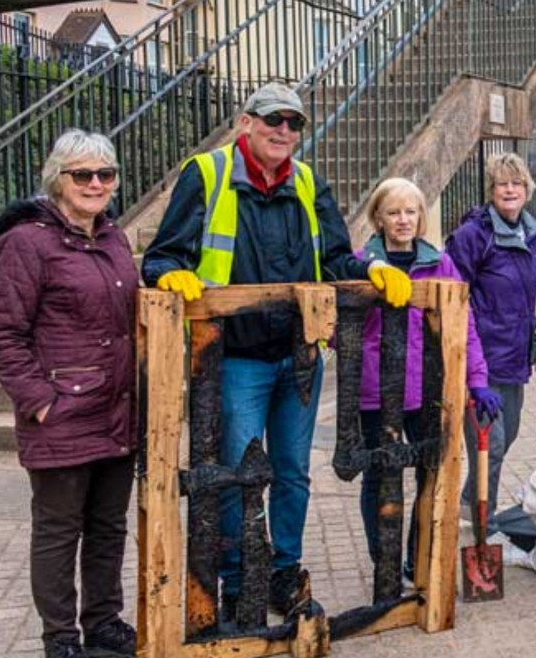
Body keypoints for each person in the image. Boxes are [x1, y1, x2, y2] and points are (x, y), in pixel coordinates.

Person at [141, 82, 412, 617]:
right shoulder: (210, 174)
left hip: (300, 357)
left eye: (294, 123)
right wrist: (170, 273)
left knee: (291, 473)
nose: (283, 131)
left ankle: (284, 574)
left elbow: (335, 257)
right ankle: (242, 580)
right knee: (239, 476)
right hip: (235, 359)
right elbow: (163, 254)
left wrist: (374, 268)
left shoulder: (309, 183)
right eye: (273, 120)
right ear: (246, 123)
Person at [0, 130, 139, 658]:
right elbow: (4, 335)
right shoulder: (28, 242)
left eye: (106, 174)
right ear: (58, 179)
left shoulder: (114, 237)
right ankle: (61, 637)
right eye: (83, 174)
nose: (96, 184)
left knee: (107, 526)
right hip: (63, 412)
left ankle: (103, 621)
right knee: (57, 531)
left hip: (116, 409)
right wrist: (40, 400)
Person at [355, 177, 501, 581]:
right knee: (381, 476)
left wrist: (477, 379)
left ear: (420, 217)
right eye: (394, 212)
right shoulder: (360, 262)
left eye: (411, 211)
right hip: (376, 391)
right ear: (379, 219)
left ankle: (414, 560)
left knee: (429, 475)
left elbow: (464, 324)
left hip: (426, 388)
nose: (403, 220)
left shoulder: (441, 263)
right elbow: (340, 327)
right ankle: (382, 559)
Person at [446, 152, 536, 535]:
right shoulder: (473, 236)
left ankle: (472, 502)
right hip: (481, 364)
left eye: (516, 183)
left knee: (511, 434)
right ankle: (482, 520)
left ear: (527, 190)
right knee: (493, 445)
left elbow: (526, 297)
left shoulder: (532, 235)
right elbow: (455, 296)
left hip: (515, 359)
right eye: (502, 183)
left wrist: (534, 340)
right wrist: (467, 362)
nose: (509, 189)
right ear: (491, 190)